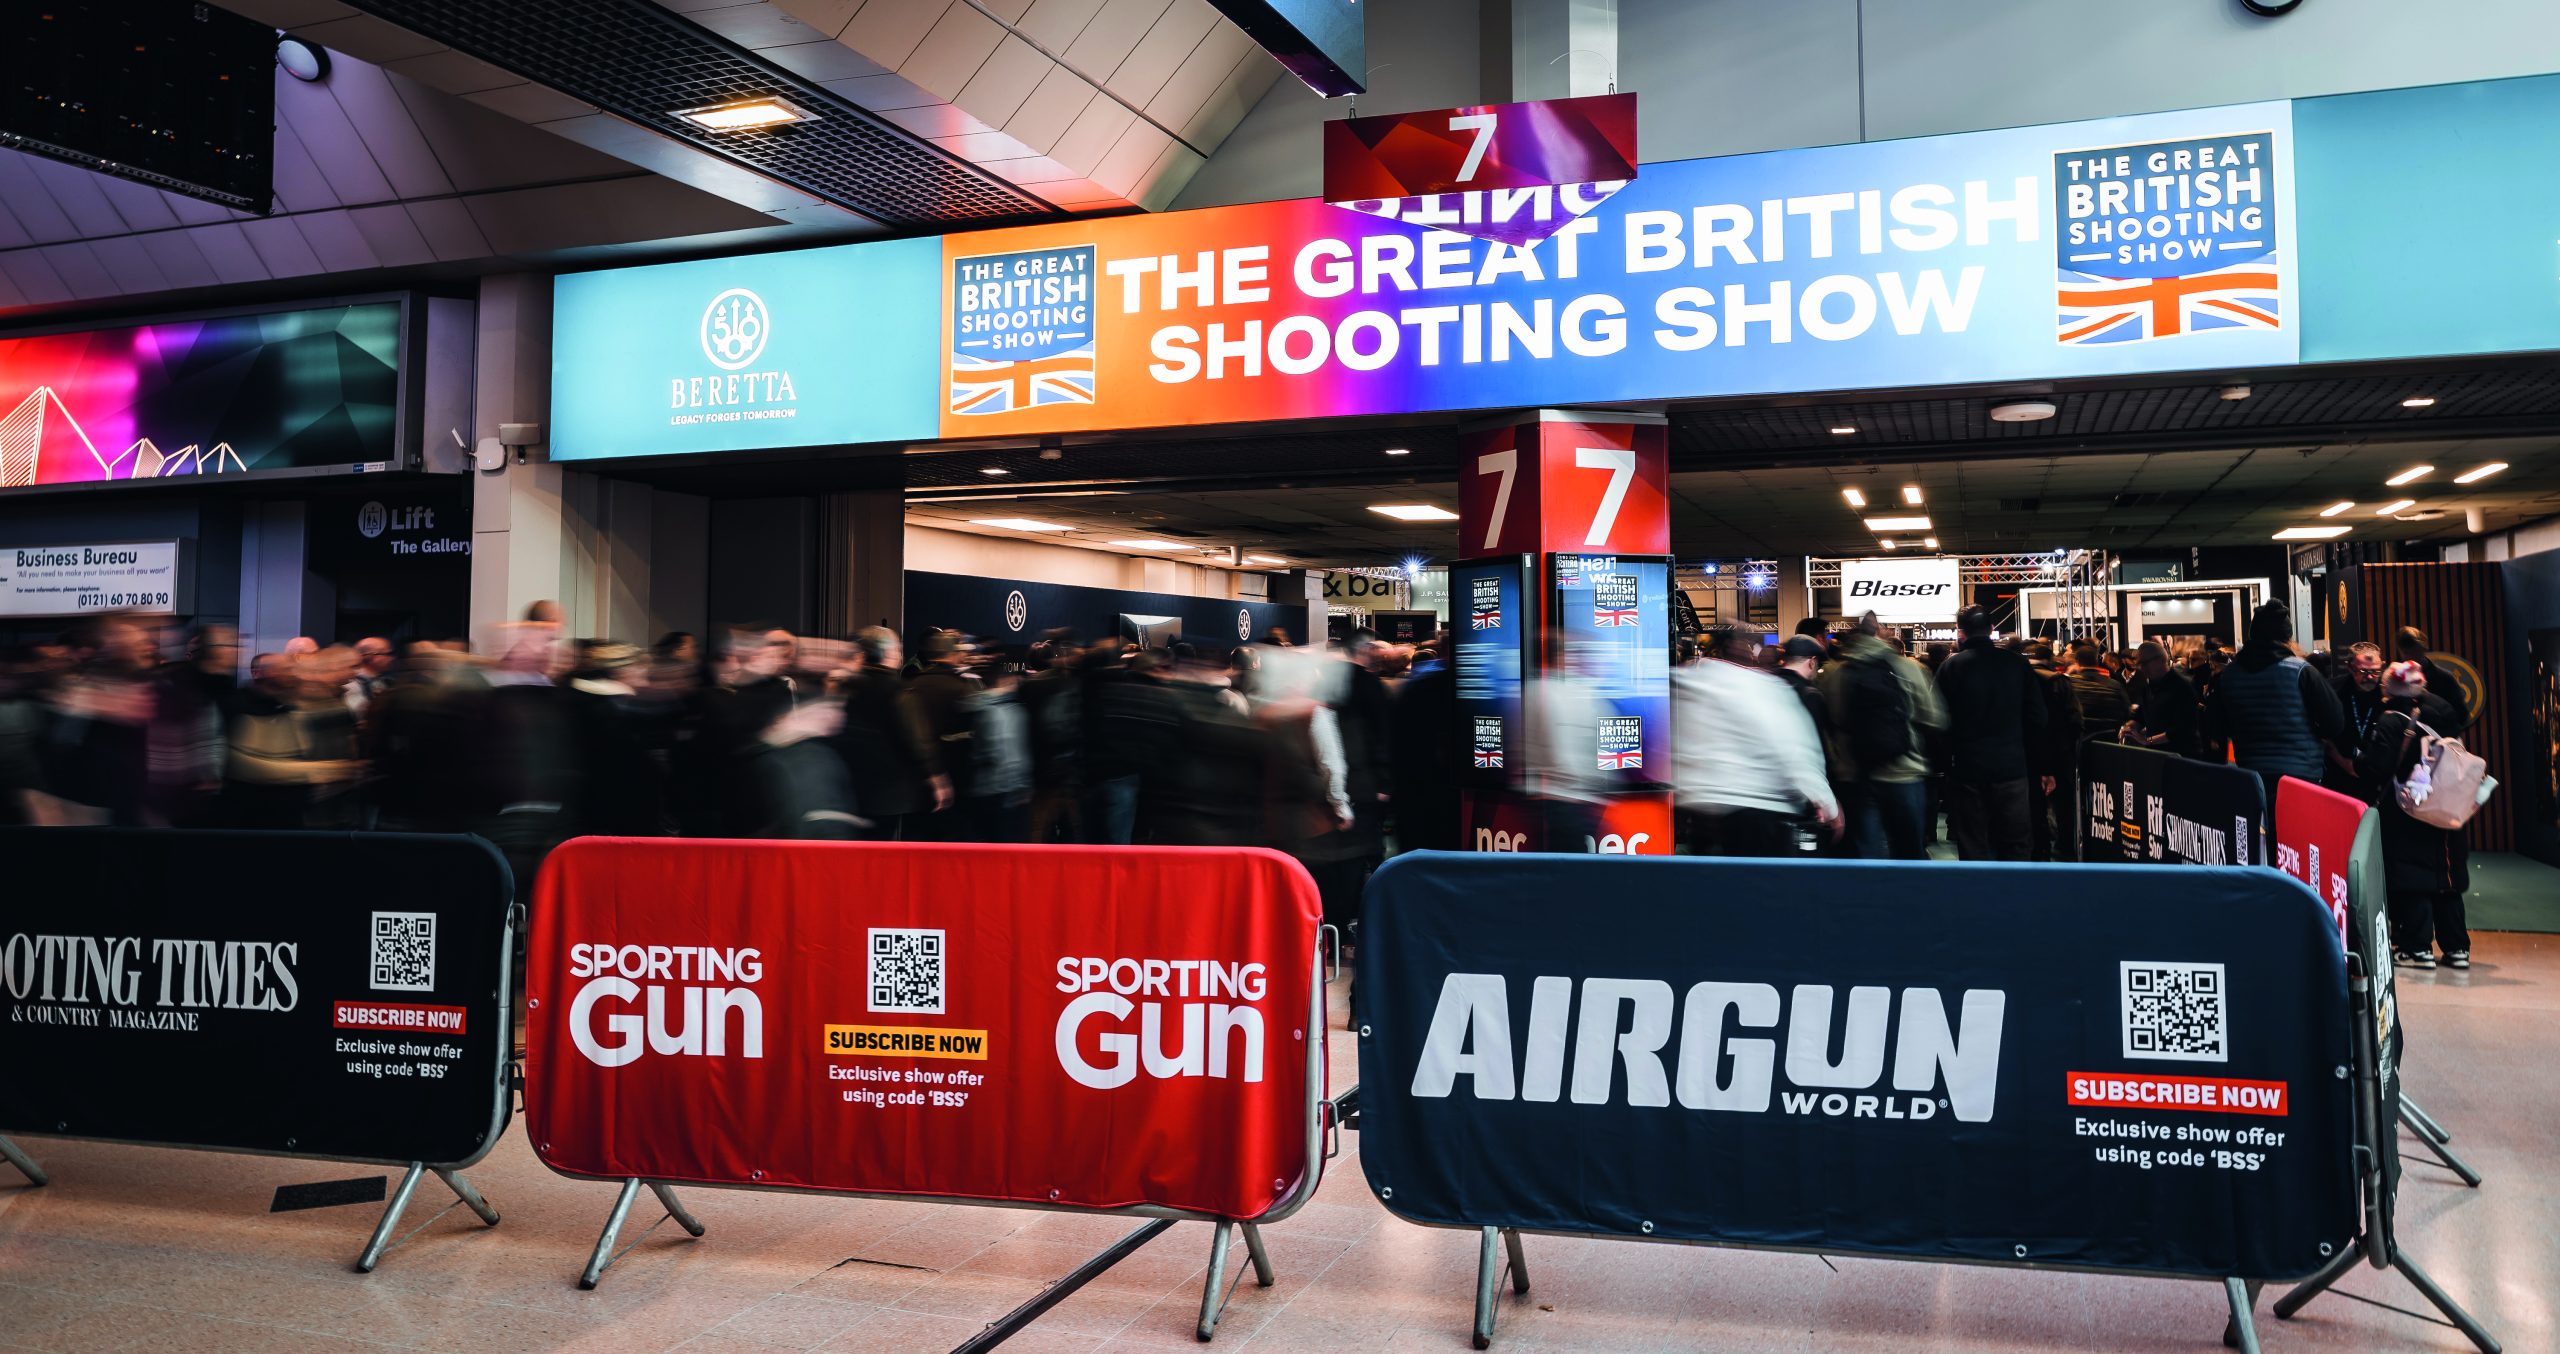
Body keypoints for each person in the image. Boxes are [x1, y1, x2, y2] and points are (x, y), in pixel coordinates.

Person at [1673, 624, 1837, 856]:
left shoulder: (1690, 683)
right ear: (1746, 651)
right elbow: (1792, 753)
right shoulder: (1762, 689)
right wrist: (1825, 802)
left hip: (1702, 811)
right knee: (1757, 883)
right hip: (1754, 811)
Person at [2360, 662, 2470, 969]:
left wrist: (2358, 763)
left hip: (2407, 807)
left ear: (2390, 689)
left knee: (2411, 875)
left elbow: (2378, 767)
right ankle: (2457, 947)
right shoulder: (2444, 710)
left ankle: (2416, 947)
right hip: (2447, 803)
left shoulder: (2391, 720)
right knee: (2447, 876)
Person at [1819, 611, 1945, 860]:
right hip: (1904, 772)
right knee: (1908, 850)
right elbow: (1933, 717)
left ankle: (1868, 897)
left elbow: (1830, 722)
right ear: (1880, 633)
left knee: (1864, 853)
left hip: (1854, 774)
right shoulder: (1908, 667)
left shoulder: (1833, 672)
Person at [1932, 607, 2044, 861]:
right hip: (2012, 767)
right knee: (2015, 843)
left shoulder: (1951, 667)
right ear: (1991, 629)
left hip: (1968, 768)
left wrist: (1948, 761)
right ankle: (2014, 896)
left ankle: (1976, 897)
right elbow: (2037, 718)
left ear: (1960, 632)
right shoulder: (2017, 664)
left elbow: (1936, 720)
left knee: (1973, 842)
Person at [2208, 601, 2343, 811]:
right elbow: (2335, 723)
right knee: (2296, 839)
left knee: (2259, 838)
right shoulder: (2301, 671)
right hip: (2301, 776)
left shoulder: (2228, 676)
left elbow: (2217, 727)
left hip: (2250, 776)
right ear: (2286, 637)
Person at [2326, 642, 2389, 800]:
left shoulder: (2389, 693)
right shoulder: (2332, 691)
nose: (2369, 677)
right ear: (2349, 667)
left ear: (2382, 666)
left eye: (2375, 672)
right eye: (2362, 671)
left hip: (2380, 780)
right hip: (2338, 778)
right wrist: (2343, 762)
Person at [2122, 641, 2200, 760]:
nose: (2141, 668)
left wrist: (2147, 740)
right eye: (2139, 664)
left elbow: (2183, 729)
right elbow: (2141, 715)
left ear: (2160, 660)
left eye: (2144, 663)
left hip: (2181, 757)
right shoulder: (2149, 687)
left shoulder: (2182, 687)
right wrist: (2130, 727)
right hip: (2158, 755)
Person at [2394, 626, 2469, 732]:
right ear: (2400, 650)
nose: (2409, 657)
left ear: (2424, 649)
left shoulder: (2445, 679)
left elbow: (2461, 716)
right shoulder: (2393, 678)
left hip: (2438, 741)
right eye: (2406, 652)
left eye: (2414, 651)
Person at [2066, 640, 2132, 742]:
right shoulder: (2115, 685)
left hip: (2077, 743)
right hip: (2108, 743)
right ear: (2096, 661)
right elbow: (2127, 712)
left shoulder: (2068, 684)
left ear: (2077, 662)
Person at [344, 637, 394, 716]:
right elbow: (362, 716)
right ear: (370, 656)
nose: (391, 658)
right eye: (387, 654)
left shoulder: (388, 681)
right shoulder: (351, 685)